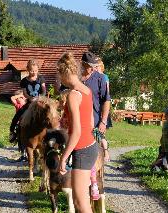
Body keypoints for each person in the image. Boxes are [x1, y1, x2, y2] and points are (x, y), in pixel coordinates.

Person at [58, 52, 98, 212]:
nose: (59, 80)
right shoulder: (86, 90)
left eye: (59, 75)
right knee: (78, 199)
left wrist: (64, 157)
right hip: (90, 146)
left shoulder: (73, 95)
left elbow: (76, 132)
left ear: (65, 73)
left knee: (81, 203)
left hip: (82, 150)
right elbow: (90, 122)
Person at [10, 59, 46, 162]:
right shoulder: (24, 81)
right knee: (19, 114)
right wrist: (30, 98)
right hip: (30, 102)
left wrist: (39, 98)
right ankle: (13, 132)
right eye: (31, 70)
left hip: (40, 101)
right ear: (27, 70)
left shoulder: (41, 78)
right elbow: (25, 93)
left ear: (38, 70)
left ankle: (51, 133)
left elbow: (43, 90)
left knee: (48, 114)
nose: (33, 72)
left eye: (35, 70)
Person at [81, 52, 111, 162]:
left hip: (95, 119)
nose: (93, 69)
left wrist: (103, 121)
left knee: (95, 149)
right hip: (78, 119)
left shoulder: (100, 78)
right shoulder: (77, 78)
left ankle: (96, 175)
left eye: (94, 66)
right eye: (90, 67)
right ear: (83, 65)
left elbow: (106, 100)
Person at [95, 57, 112, 162]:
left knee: (100, 133)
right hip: (98, 108)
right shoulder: (97, 77)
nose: (95, 68)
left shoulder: (103, 77)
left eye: (97, 66)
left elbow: (106, 94)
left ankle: (105, 152)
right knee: (98, 134)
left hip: (101, 109)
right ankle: (101, 152)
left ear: (101, 67)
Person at [150, 108, 168, 176]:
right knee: (166, 159)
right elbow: (164, 135)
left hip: (167, 146)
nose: (164, 116)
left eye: (166, 114)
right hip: (166, 146)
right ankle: (162, 167)